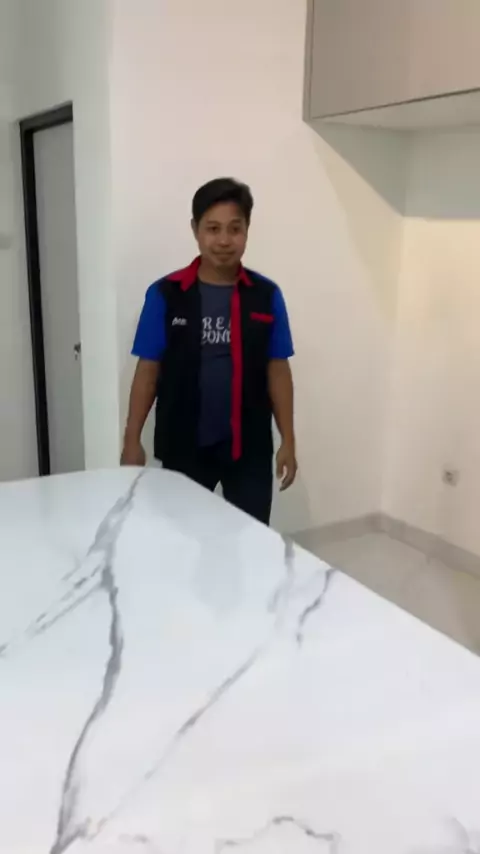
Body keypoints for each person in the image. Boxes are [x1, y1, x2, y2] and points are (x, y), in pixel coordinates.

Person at [121, 177, 296, 525]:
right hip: (184, 447)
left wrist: (288, 440)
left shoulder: (266, 296)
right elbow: (148, 372)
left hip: (249, 450)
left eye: (235, 228)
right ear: (195, 230)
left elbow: (278, 371)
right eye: (213, 229)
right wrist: (131, 439)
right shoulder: (166, 294)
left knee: (248, 539)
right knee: (181, 539)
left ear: (247, 230)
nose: (224, 240)